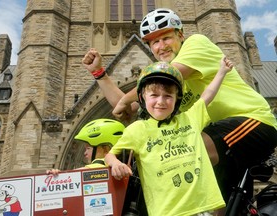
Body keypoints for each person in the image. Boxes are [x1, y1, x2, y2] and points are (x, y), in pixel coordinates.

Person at [83, 8, 277, 211]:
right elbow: (128, 109)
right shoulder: (169, 88)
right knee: (219, 203)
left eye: (166, 38)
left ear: (181, 35)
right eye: (154, 42)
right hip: (219, 138)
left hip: (254, 122)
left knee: (185, 146)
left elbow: (169, 75)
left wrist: (127, 99)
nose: (161, 46)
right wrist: (99, 73)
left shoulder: (196, 44)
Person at [105, 58, 233, 216]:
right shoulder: (137, 130)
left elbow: (207, 95)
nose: (161, 101)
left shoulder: (190, 119)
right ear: (142, 97)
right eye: (154, 95)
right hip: (167, 211)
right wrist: (116, 163)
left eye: (168, 96)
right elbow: (109, 155)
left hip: (204, 206)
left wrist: (222, 72)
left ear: (177, 99)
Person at [46, 118, 125, 175]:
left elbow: (73, 176)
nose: (85, 153)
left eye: (88, 148)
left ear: (105, 150)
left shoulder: (98, 166)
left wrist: (59, 176)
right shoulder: (122, 167)